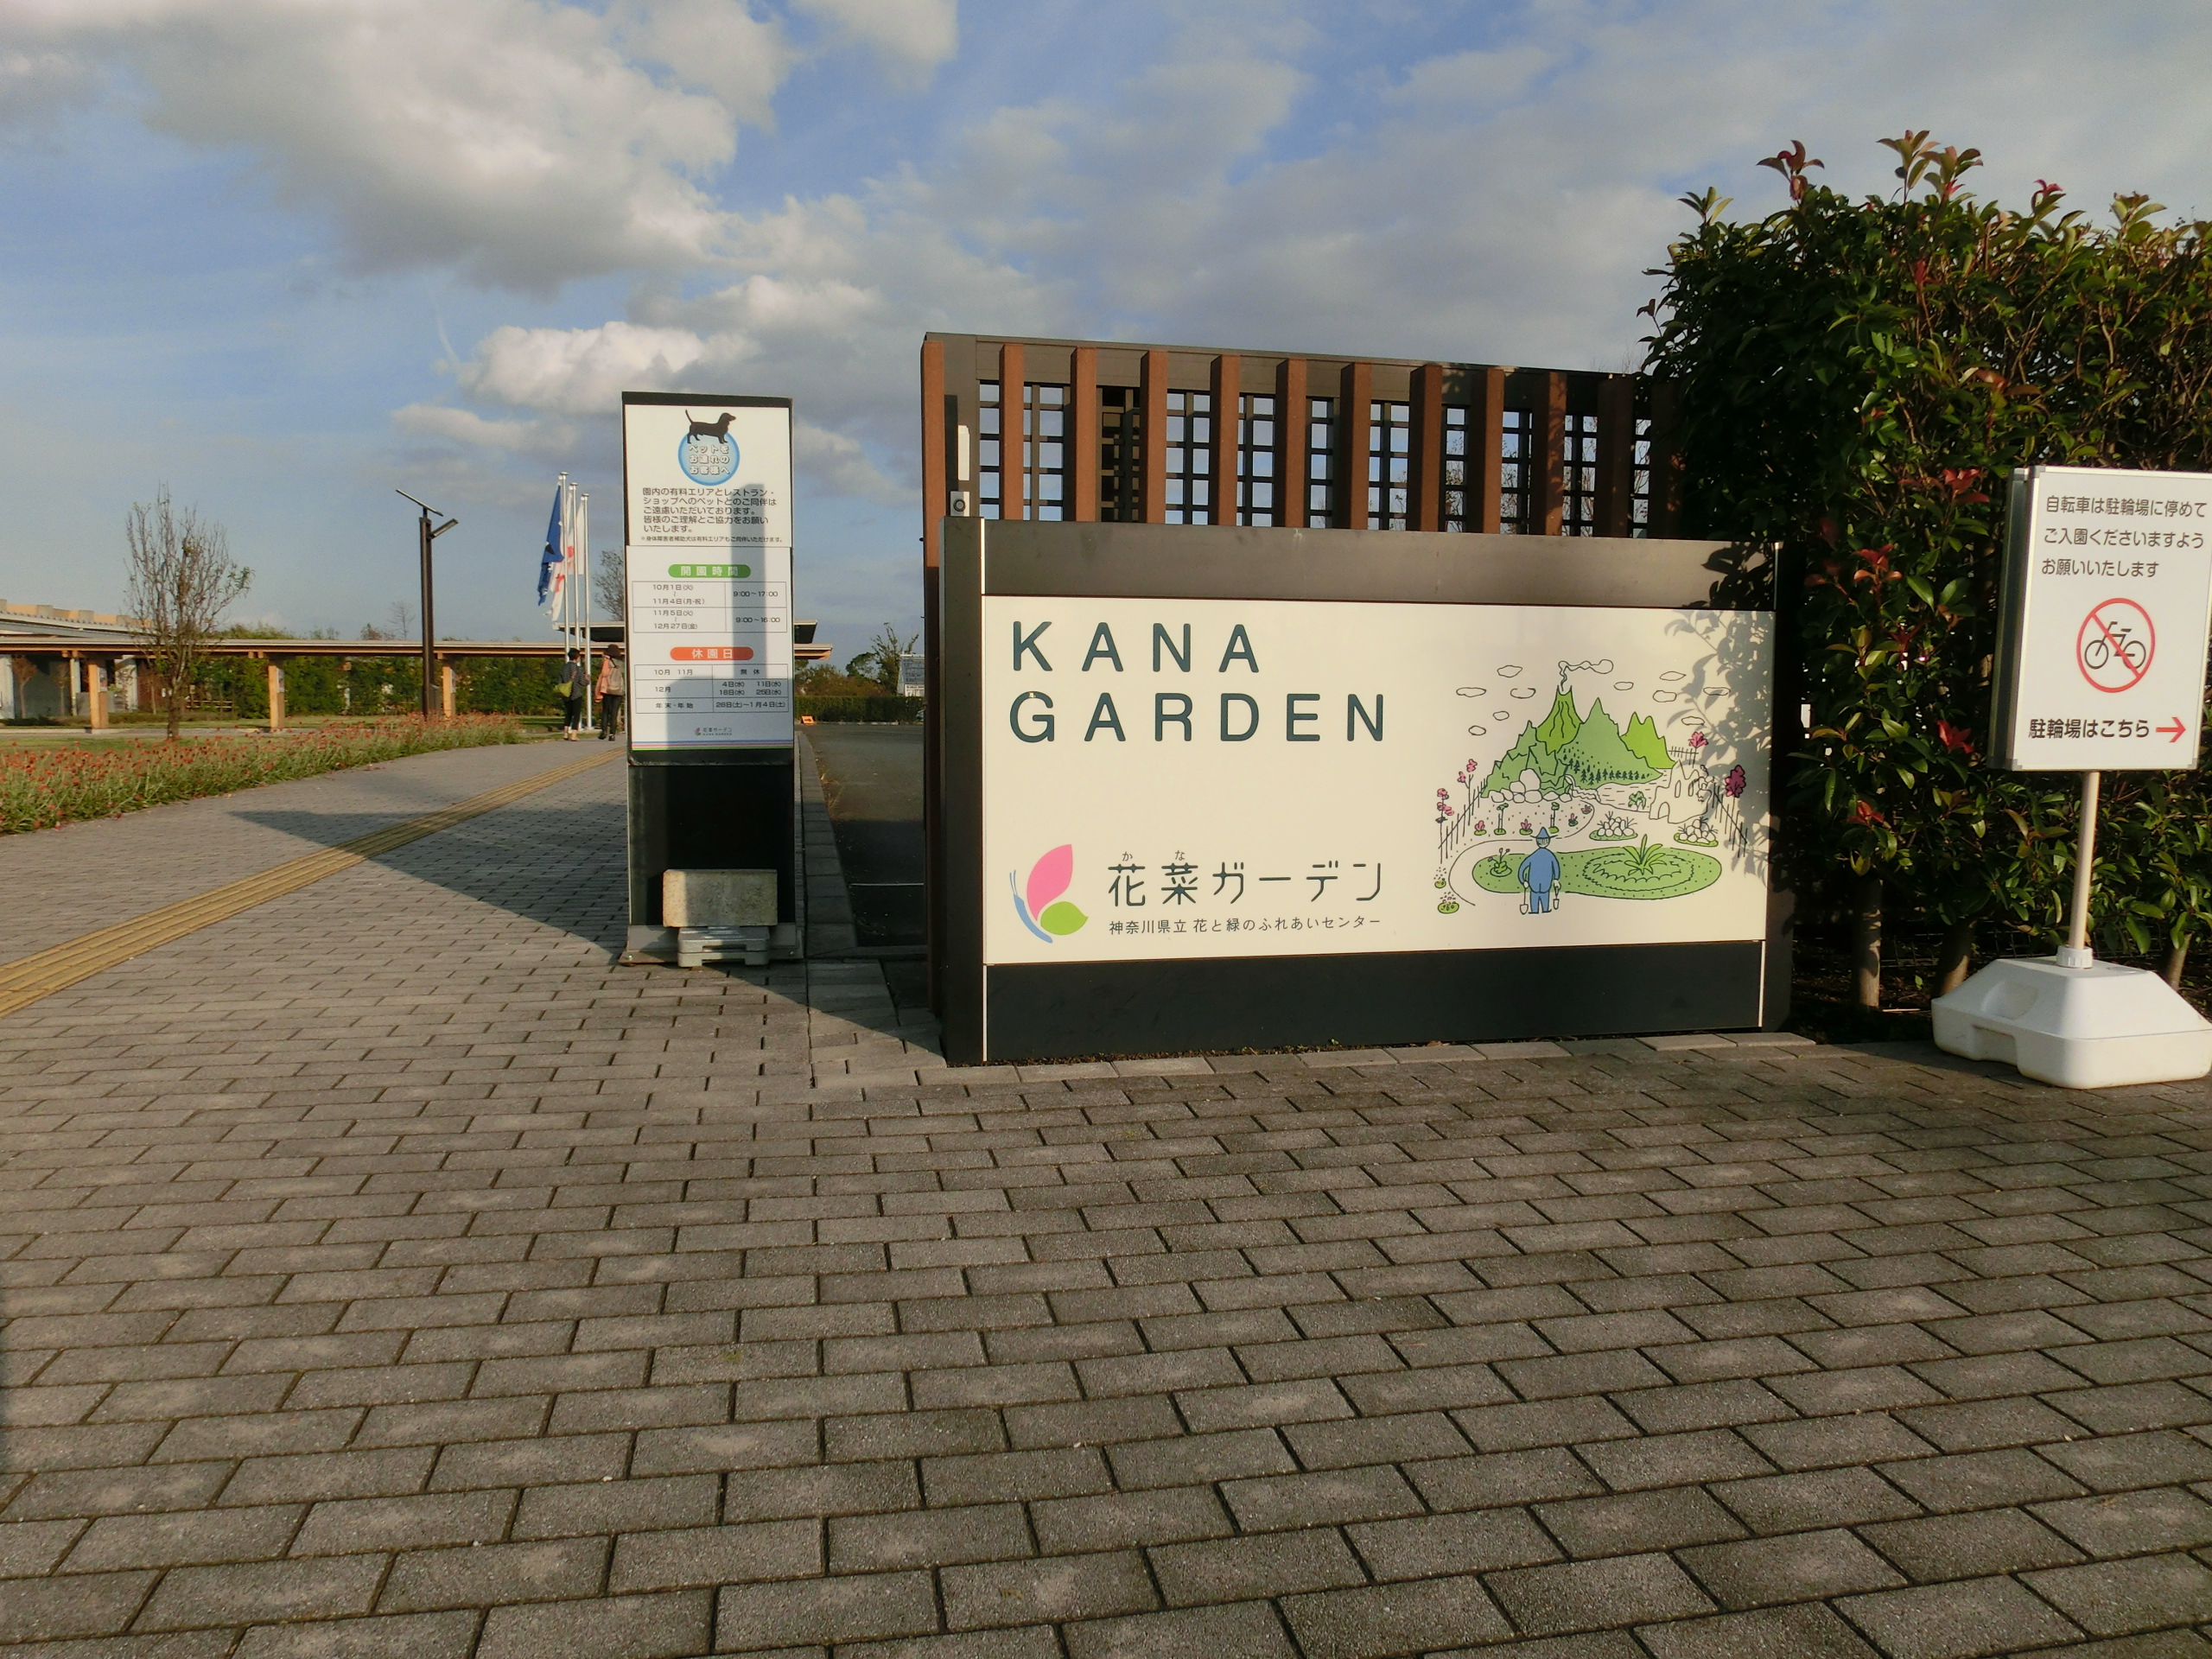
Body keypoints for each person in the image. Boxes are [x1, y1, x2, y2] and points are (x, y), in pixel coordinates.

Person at [1516, 827, 1561, 914]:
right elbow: (1556, 867)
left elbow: (1522, 868)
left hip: (1541, 885)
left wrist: (1523, 881)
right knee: (1538, 899)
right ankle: (1540, 911)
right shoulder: (1546, 855)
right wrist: (1523, 881)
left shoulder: (1537, 856)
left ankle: (1540, 910)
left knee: (1542, 899)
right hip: (1538, 885)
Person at [595, 645, 626, 740]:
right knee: (614, 712)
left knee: (605, 711)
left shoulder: (607, 662)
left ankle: (604, 731)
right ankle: (612, 734)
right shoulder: (622, 663)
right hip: (619, 690)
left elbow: (604, 673)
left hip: (608, 689)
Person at [557, 649, 588, 740]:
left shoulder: (563, 668)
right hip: (576, 693)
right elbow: (583, 682)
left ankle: (565, 733)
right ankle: (574, 734)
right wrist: (587, 679)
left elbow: (560, 681)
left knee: (568, 713)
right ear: (577, 657)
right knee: (576, 714)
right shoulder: (578, 669)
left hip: (566, 693)